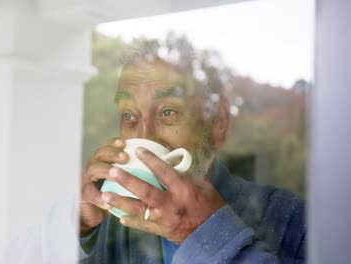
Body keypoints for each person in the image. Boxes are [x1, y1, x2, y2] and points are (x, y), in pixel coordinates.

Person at [78, 49, 306, 263]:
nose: (144, 138)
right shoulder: (114, 221)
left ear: (217, 124)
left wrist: (209, 235)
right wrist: (81, 229)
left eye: (168, 112)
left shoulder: (293, 221)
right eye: (128, 115)